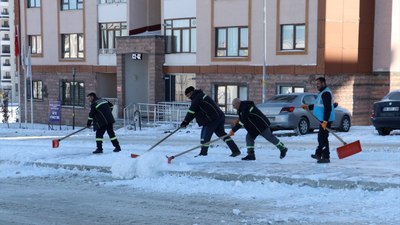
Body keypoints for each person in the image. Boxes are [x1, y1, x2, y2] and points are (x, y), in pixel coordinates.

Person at [180, 86, 241, 157]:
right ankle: (236, 151)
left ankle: (203, 154)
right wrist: (186, 122)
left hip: (212, 119)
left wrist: (185, 122)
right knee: (222, 135)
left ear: (191, 92)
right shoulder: (199, 96)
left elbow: (191, 111)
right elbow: (194, 112)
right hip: (218, 117)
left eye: (188, 95)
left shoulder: (197, 97)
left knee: (204, 137)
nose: (188, 97)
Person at [302, 77, 335, 163]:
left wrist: (325, 121)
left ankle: (326, 157)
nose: (317, 85)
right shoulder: (322, 93)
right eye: (316, 84)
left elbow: (328, 108)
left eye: (318, 84)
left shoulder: (326, 94)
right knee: (321, 137)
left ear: (323, 83)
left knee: (323, 138)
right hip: (323, 119)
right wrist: (308, 107)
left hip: (325, 120)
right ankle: (318, 154)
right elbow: (318, 105)